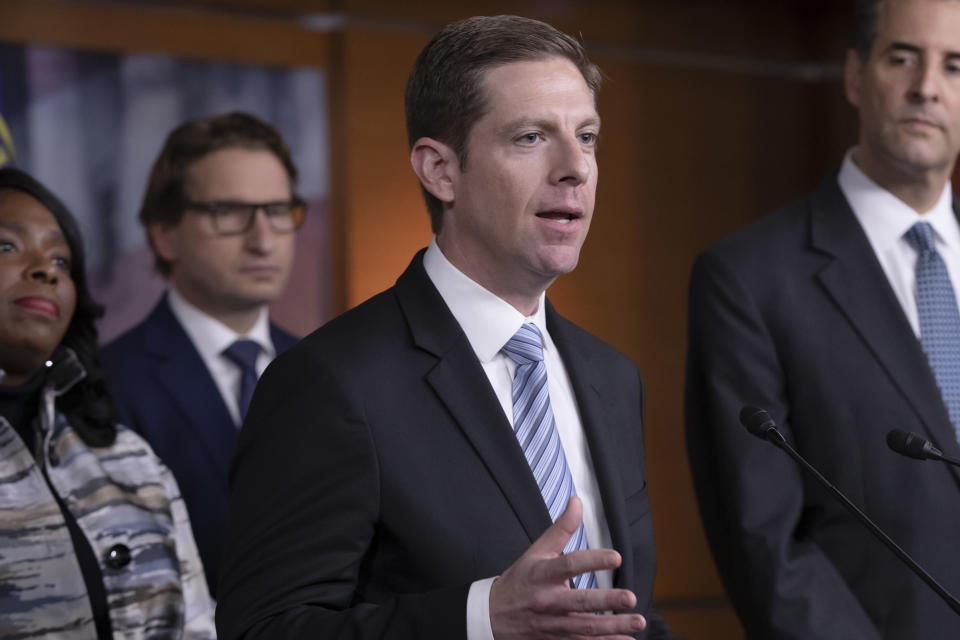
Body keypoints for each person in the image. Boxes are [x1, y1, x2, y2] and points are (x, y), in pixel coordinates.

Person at [217, 14, 676, 640]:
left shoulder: (612, 378)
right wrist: (481, 617)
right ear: (439, 170)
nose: (576, 168)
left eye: (588, 136)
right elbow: (264, 629)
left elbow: (625, 616)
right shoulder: (331, 383)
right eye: (532, 138)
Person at [685, 0, 960, 637]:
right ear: (855, 74)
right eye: (902, 57)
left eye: (954, 65)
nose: (927, 88)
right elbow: (766, 545)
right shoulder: (747, 279)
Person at [0, 166, 215, 637]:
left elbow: (199, 625)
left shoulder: (131, 458)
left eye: (61, 261)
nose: (44, 270)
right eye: (7, 246)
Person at [101, 111, 302, 596]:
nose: (263, 239)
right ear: (164, 234)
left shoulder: (324, 368)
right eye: (228, 212)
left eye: (278, 211)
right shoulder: (106, 383)